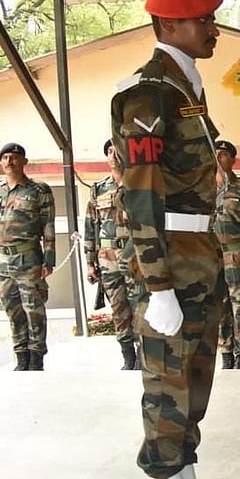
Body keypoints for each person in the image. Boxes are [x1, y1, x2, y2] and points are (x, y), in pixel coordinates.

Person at [109, 0, 225, 478]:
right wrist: (157, 286)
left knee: (194, 381)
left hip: (198, 252)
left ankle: (183, 468)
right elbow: (141, 192)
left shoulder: (184, 87)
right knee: (166, 387)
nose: (213, 29)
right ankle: (165, 468)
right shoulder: (147, 94)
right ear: (168, 25)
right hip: (171, 260)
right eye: (203, 20)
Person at [0, 142, 55, 372]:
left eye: (14, 157)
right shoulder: (0, 192)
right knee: (12, 309)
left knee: (34, 309)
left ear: (24, 161)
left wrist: (48, 260)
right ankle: (21, 355)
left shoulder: (38, 191)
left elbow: (48, 227)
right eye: (5, 158)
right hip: (4, 260)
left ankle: (36, 357)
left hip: (28, 258)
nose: (9, 162)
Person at [84, 139, 138, 370]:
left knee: (139, 304)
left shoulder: (138, 186)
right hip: (107, 257)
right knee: (118, 307)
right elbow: (90, 226)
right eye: (109, 151)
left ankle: (143, 353)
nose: (113, 155)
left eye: (118, 150)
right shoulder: (98, 189)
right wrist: (90, 262)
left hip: (135, 252)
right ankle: (128, 355)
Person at [213, 140, 240, 370]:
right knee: (219, 307)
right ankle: (225, 351)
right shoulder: (204, 189)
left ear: (232, 160)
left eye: (224, 154)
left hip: (237, 254)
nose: (219, 158)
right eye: (216, 154)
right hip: (212, 256)